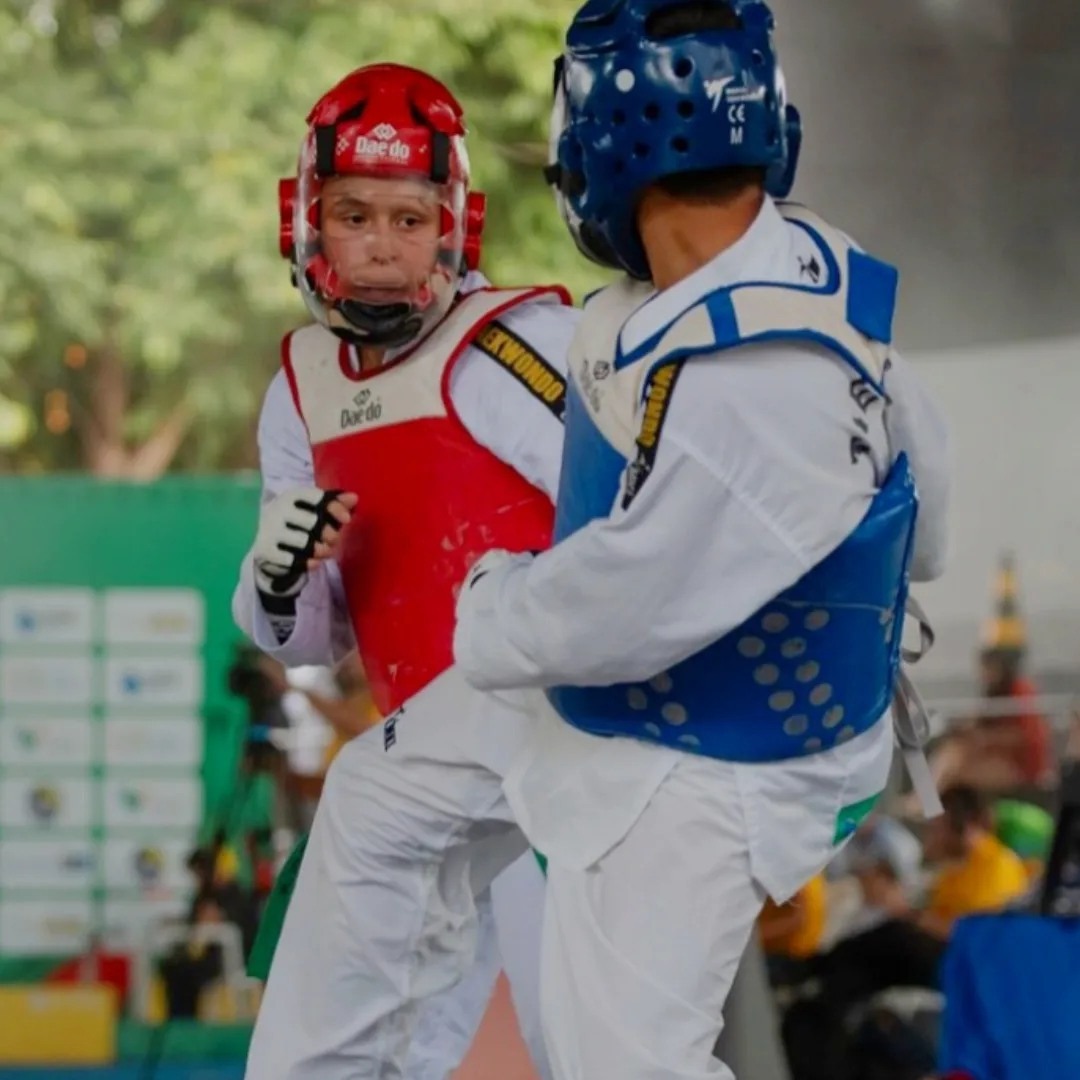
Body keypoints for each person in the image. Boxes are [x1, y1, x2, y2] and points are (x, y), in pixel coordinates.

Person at [451, 2, 951, 1075]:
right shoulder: (814, 267)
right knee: (596, 1051)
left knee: (630, 1065)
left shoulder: (750, 388)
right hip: (693, 743)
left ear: (600, 136)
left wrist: (488, 607)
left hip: (706, 765)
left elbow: (618, 608)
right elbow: (930, 518)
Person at [233, 64, 578, 1078]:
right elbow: (309, 637)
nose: (383, 246)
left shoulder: (515, 341)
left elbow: (639, 524)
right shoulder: (301, 386)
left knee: (592, 1046)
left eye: (408, 218)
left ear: (453, 227)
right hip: (418, 771)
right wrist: (279, 577)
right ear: (309, 220)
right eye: (355, 216)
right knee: (350, 1049)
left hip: (557, 754)